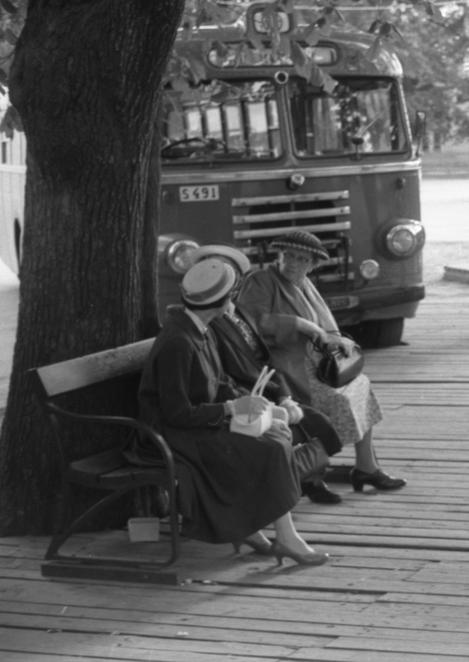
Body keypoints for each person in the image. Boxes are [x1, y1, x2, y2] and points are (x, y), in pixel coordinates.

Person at [137, 259, 328, 566]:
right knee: (271, 448)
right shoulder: (178, 341)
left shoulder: (199, 328)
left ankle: (253, 530)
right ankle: (286, 538)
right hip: (174, 435)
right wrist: (232, 409)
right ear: (223, 301)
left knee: (277, 435)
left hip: (196, 425)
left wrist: (263, 408)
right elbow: (176, 413)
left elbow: (219, 382)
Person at [238, 230, 407, 493]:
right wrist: (298, 324)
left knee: (360, 386)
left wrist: (338, 341)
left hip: (316, 364)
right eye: (287, 256)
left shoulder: (303, 283)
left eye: (301, 260)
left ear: (313, 265)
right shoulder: (261, 280)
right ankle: (309, 472)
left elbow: (327, 326)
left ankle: (366, 468)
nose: (292, 263)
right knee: (340, 400)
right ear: (278, 256)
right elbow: (249, 323)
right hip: (285, 367)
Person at [191, 245, 346, 506]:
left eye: (231, 276)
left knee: (321, 423)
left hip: (267, 385)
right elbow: (219, 377)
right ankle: (293, 481)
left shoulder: (238, 313)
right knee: (304, 423)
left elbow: (262, 360)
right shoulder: (208, 321)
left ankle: (300, 477)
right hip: (243, 400)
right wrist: (265, 401)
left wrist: (283, 395)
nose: (227, 283)